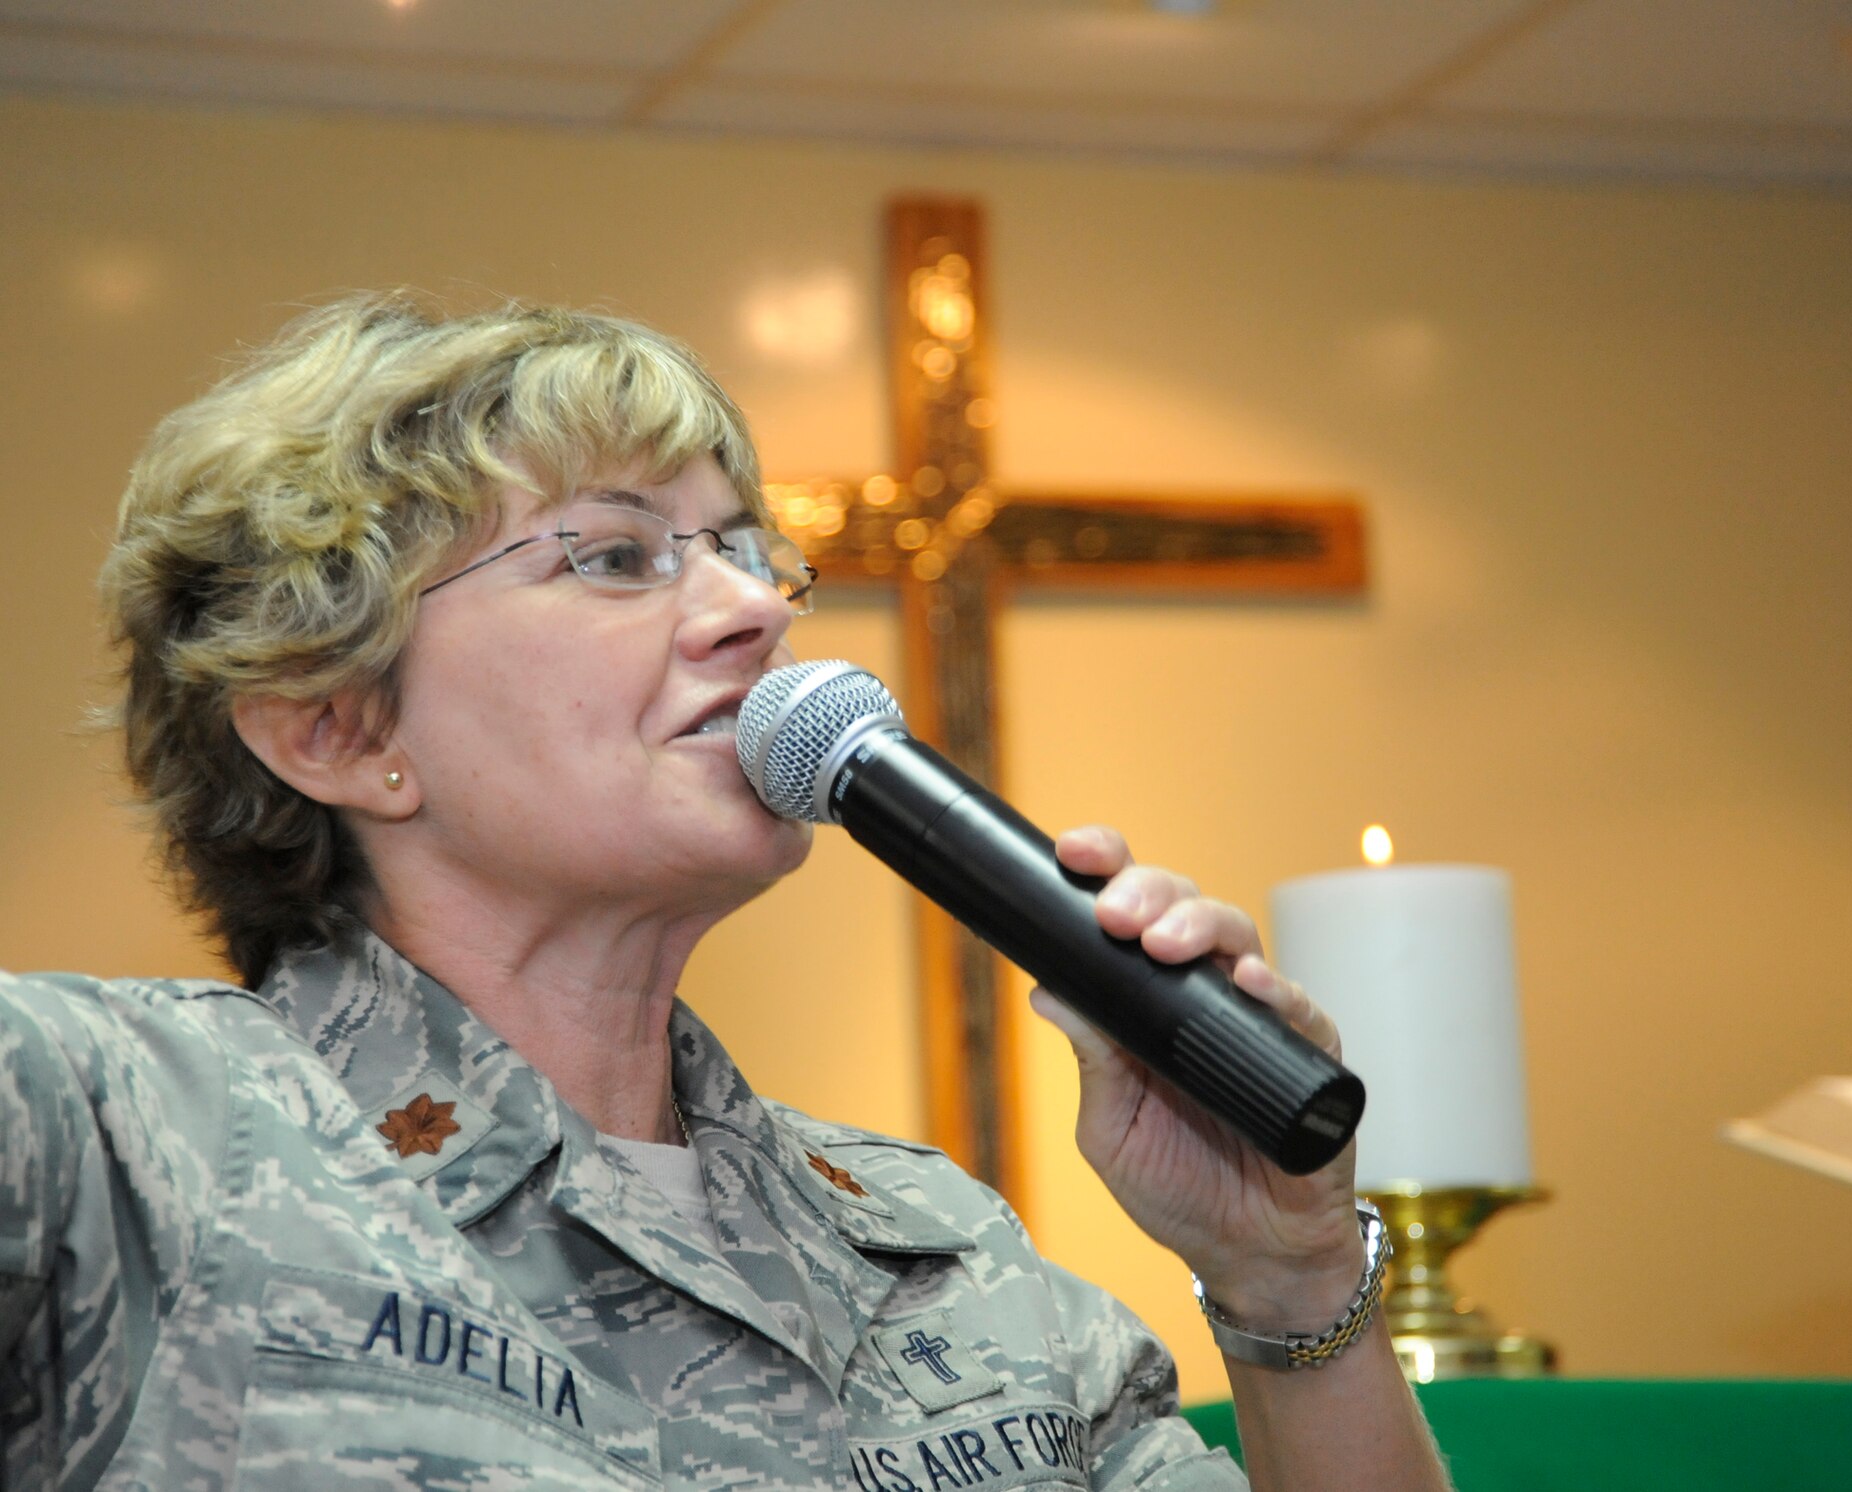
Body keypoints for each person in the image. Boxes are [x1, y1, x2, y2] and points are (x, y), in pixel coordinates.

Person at [0, 293, 1449, 1491]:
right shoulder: (109, 1134)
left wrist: (1291, 1277)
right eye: (618, 556)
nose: (758, 610)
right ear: (340, 729)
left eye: (752, 554)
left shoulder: (932, 1244)